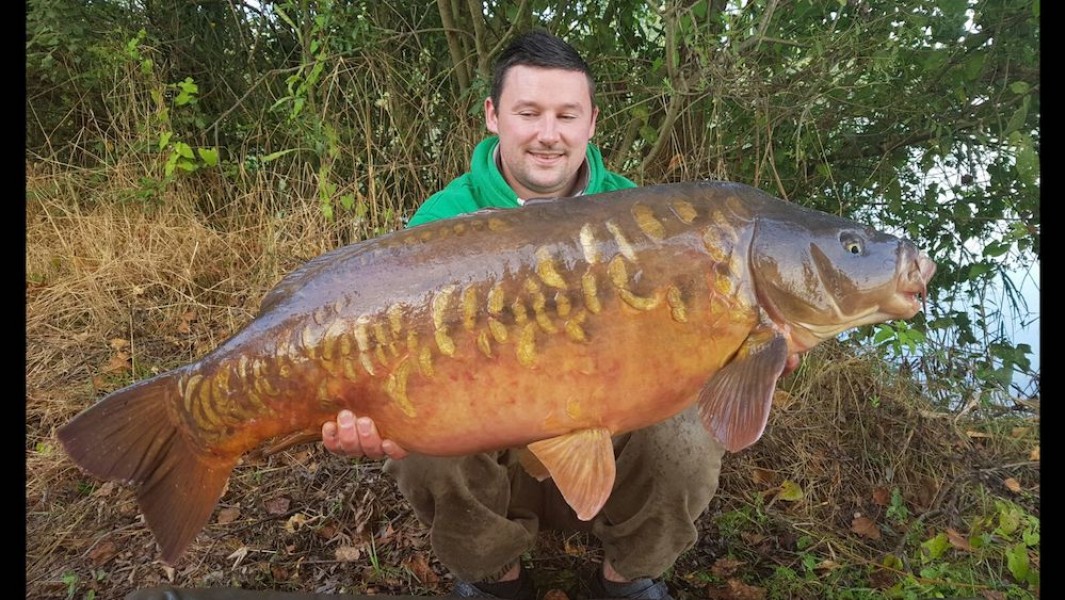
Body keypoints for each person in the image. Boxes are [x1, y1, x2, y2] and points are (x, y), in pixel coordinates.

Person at [321, 30, 726, 600]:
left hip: (602, 442)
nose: (548, 134)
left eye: (566, 114)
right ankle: (495, 578)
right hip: (500, 465)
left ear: (591, 122)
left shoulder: (638, 214)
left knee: (691, 433)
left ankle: (628, 578)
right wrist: (366, 408)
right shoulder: (443, 220)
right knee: (421, 448)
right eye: (528, 112)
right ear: (493, 116)